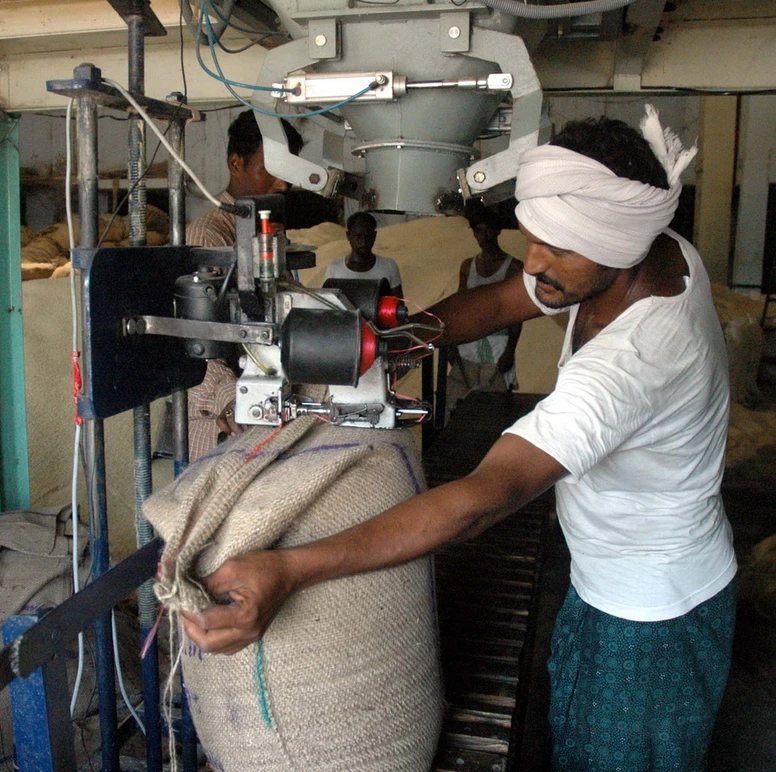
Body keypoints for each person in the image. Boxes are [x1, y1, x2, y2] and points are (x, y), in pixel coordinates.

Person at [181, 107, 736, 771]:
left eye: (554, 248)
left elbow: (484, 496)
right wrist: (388, 344)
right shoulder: (630, 252)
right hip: (603, 577)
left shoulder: (636, 358)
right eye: (533, 237)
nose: (535, 261)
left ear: (614, 240)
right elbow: (502, 301)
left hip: (654, 613)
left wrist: (292, 568)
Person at [185, 110, 304, 462]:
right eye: (271, 170)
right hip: (226, 419)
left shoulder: (269, 233)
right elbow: (198, 341)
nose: (283, 185)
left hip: (267, 395)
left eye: (289, 174)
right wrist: (232, 397)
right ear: (236, 163)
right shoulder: (210, 236)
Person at [445, 199, 523, 421]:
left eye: (488, 230)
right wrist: (452, 343)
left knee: (494, 409)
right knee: (460, 408)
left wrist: (510, 351)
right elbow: (459, 306)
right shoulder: (468, 266)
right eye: (479, 231)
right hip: (467, 346)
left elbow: (517, 315)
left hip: (498, 348)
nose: (484, 237)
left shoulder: (513, 267)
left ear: (498, 231)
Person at [323, 211, 403, 296]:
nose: (363, 242)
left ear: (374, 236)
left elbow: (398, 305)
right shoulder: (335, 268)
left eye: (368, 236)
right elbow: (327, 304)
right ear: (348, 236)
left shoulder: (389, 266)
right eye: (358, 237)